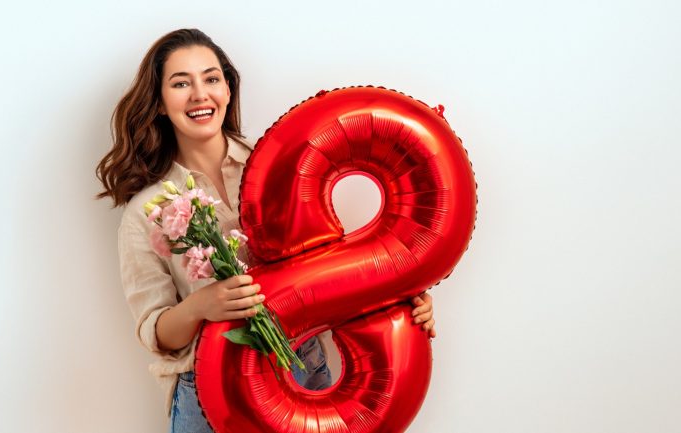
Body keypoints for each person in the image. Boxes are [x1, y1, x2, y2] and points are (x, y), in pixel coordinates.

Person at [96, 28, 436, 432]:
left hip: (307, 373)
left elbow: (332, 269)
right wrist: (202, 306)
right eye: (181, 83)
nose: (200, 95)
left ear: (227, 89)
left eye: (211, 78)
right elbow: (156, 333)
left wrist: (397, 296)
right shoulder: (147, 211)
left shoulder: (283, 166)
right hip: (212, 396)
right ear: (159, 103)